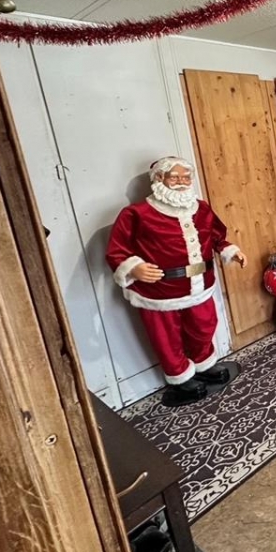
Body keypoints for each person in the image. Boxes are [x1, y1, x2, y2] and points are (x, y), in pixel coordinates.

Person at [106, 156, 246, 406]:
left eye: (186, 177)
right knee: (165, 336)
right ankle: (180, 377)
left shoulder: (201, 208)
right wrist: (134, 268)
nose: (182, 182)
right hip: (159, 291)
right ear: (159, 179)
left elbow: (216, 236)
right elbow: (117, 250)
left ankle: (204, 363)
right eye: (175, 177)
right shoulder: (137, 214)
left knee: (204, 325)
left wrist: (229, 250)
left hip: (200, 284)